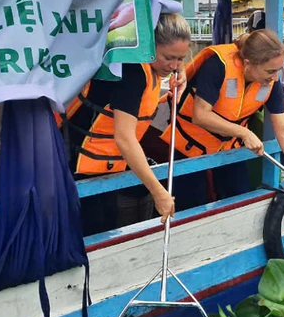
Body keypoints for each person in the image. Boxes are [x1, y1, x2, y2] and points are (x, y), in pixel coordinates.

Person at [59, 12, 191, 235]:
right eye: (169, 57)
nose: (173, 65)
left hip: (107, 168)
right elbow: (125, 138)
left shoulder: (153, 67)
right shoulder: (132, 73)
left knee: (109, 228)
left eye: (180, 58)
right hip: (78, 168)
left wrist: (182, 70)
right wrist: (158, 192)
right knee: (90, 235)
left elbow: (172, 60)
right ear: (149, 45)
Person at [161, 29, 284, 209]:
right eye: (270, 71)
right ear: (248, 64)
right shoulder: (218, 65)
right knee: (190, 205)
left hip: (229, 149)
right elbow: (200, 115)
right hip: (188, 145)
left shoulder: (271, 83)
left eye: (278, 70)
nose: (275, 77)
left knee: (240, 198)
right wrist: (243, 133)